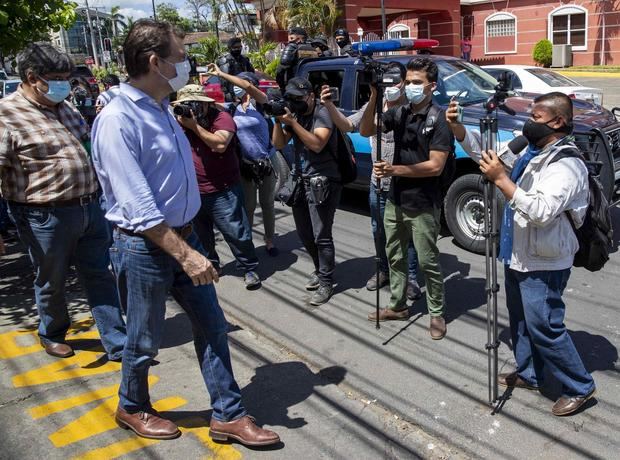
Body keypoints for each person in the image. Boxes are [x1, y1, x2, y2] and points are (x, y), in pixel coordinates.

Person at [91, 19, 280, 444]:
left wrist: (190, 237)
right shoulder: (118, 119)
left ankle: (229, 414)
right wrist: (187, 252)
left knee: (212, 326)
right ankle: (132, 405)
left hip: (182, 236)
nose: (187, 66)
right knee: (142, 339)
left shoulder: (163, 108)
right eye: (181, 57)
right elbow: (137, 204)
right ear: (155, 63)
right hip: (144, 246)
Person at [445, 92, 597, 416]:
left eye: (536, 117)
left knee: (545, 326)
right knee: (521, 323)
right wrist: (458, 129)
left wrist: (501, 180)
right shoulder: (532, 151)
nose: (529, 122)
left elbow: (541, 211)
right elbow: (488, 158)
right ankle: (530, 373)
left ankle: (579, 386)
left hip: (545, 260)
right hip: (519, 253)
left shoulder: (567, 165)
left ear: (558, 122)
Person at [0, 42, 126, 360]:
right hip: (43, 215)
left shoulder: (65, 107)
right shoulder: (7, 115)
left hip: (89, 207)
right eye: (56, 76)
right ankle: (53, 332)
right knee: (51, 279)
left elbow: (85, 146)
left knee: (99, 273)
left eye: (65, 77)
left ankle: (117, 341)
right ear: (32, 77)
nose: (63, 84)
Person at [359, 58, 452, 339]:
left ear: (431, 86)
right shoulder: (400, 113)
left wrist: (393, 169)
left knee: (427, 262)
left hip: (423, 203)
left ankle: (436, 312)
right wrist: (375, 96)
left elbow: (435, 166)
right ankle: (398, 306)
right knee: (395, 256)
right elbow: (365, 130)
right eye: (407, 81)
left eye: (416, 83)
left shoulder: (439, 119)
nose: (410, 87)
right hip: (395, 200)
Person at [319, 63, 422, 298]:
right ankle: (384, 270)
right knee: (379, 231)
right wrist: (329, 105)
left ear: (404, 83)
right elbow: (348, 125)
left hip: (404, 182)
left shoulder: (412, 108)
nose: (391, 87)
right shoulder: (374, 106)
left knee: (407, 235)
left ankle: (411, 278)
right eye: (386, 82)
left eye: (396, 82)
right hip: (378, 185)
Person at [174, 84, 262, 288]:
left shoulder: (221, 118)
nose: (190, 109)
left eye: (194, 104)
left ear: (206, 104)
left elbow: (220, 144)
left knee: (236, 231)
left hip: (223, 189)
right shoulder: (179, 122)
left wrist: (194, 126)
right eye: (185, 105)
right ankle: (212, 264)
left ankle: (249, 267)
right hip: (194, 191)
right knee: (201, 234)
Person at [272, 77, 340, 306]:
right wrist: (277, 120)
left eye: (299, 98)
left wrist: (294, 122)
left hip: (324, 181)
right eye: (291, 99)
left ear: (310, 96)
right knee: (304, 233)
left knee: (322, 235)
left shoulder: (323, 113)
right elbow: (279, 145)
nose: (295, 102)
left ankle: (326, 281)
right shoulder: (295, 115)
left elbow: (317, 143)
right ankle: (320, 268)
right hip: (300, 180)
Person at [209, 64, 279, 256]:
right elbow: (210, 103)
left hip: (266, 162)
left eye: (242, 82)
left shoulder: (262, 103)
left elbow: (248, 88)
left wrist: (222, 73)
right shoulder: (232, 109)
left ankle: (270, 240)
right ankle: (248, 244)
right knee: (247, 206)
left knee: (267, 203)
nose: (236, 87)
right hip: (245, 166)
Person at [275, 27, 318, 92]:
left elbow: (281, 70)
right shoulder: (313, 49)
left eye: (292, 38)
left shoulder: (292, 47)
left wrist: (282, 86)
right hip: (311, 86)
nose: (289, 41)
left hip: (295, 87)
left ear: (299, 39)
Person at [217, 37, 254, 102]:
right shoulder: (225, 60)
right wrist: (232, 96)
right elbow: (224, 82)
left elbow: (252, 75)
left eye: (240, 47)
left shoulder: (244, 59)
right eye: (235, 47)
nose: (238, 49)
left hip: (246, 92)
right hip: (232, 95)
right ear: (230, 48)